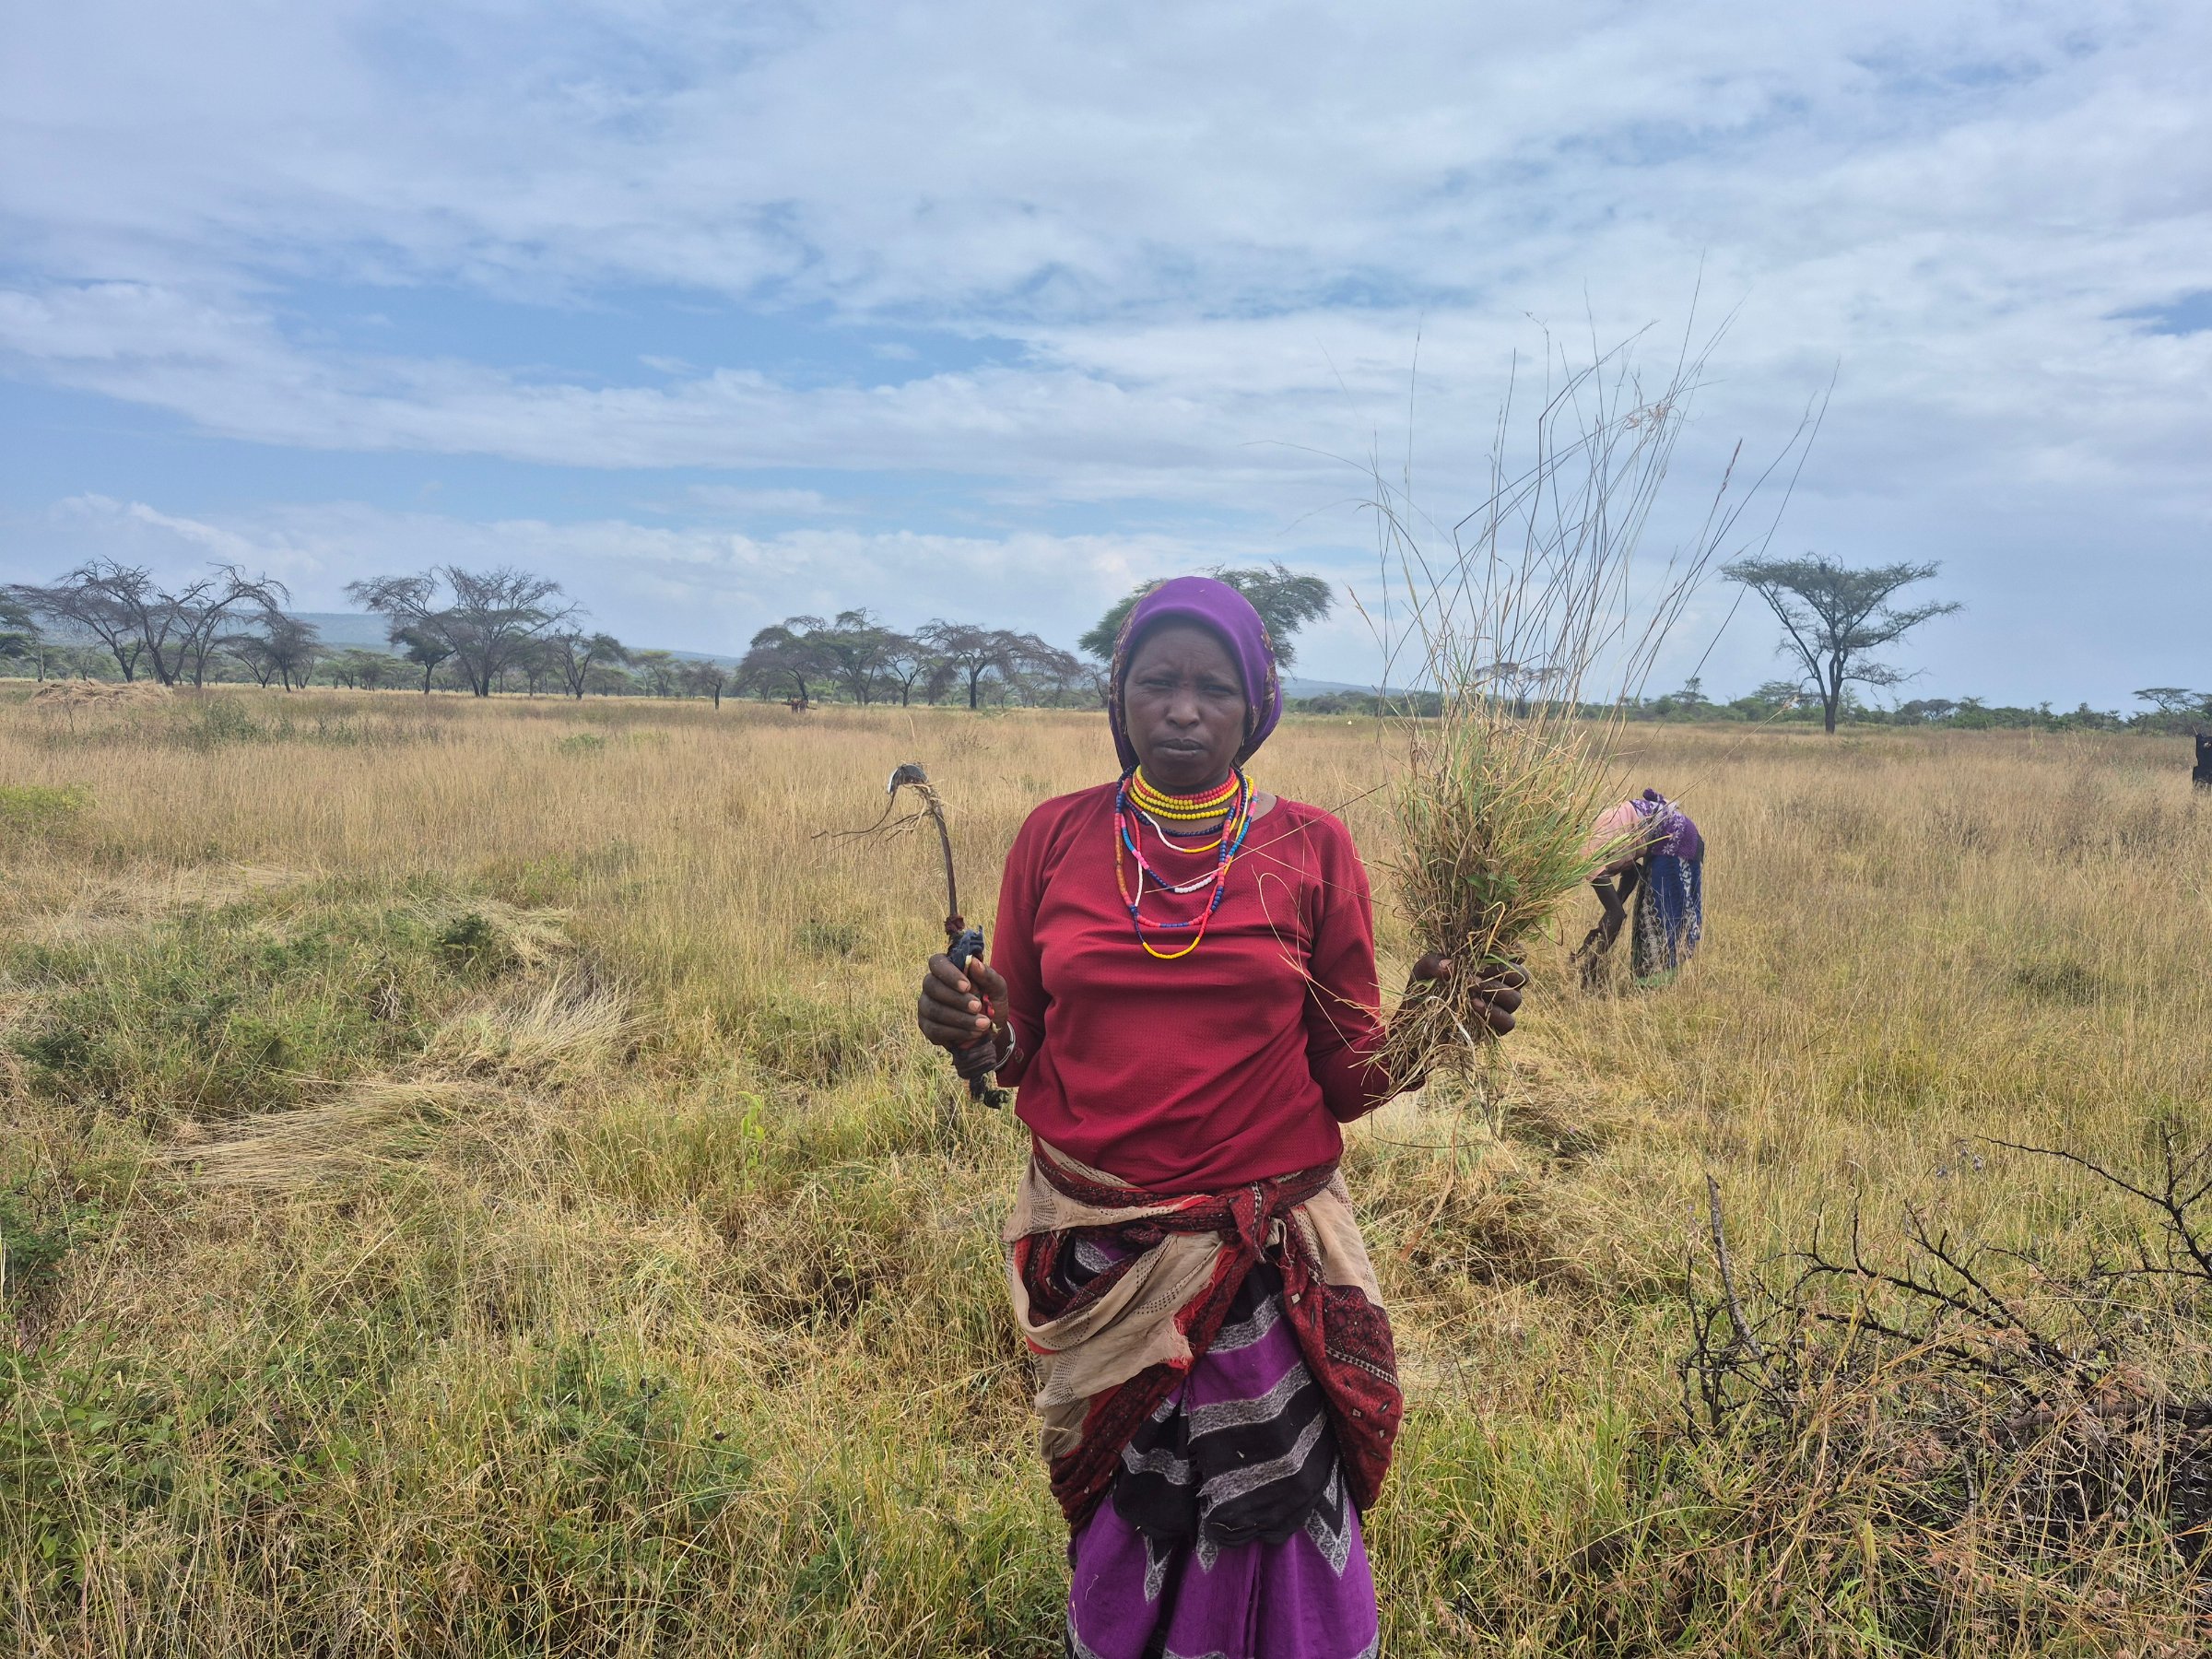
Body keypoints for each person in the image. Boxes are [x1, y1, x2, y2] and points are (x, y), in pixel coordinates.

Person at [915, 576, 1524, 1659]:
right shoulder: (1054, 840)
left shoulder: (1313, 849)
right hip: (1101, 1253)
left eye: (1213, 688)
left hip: (1265, 1255)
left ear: (1258, 707)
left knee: (1275, 1511)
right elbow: (1015, 1052)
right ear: (1121, 696)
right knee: (1130, 1503)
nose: (1184, 710)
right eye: (1159, 683)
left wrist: (1441, 1024)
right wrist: (966, 1026)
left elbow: (1349, 1077)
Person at [1571, 788, 1704, 989]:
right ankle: (1649, 984)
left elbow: (1617, 913)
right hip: (1672, 836)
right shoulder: (1595, 831)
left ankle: (1656, 987)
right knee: (1647, 913)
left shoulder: (1586, 853)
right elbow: (1632, 873)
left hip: (1675, 839)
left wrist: (1592, 963)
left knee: (1659, 915)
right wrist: (1609, 916)